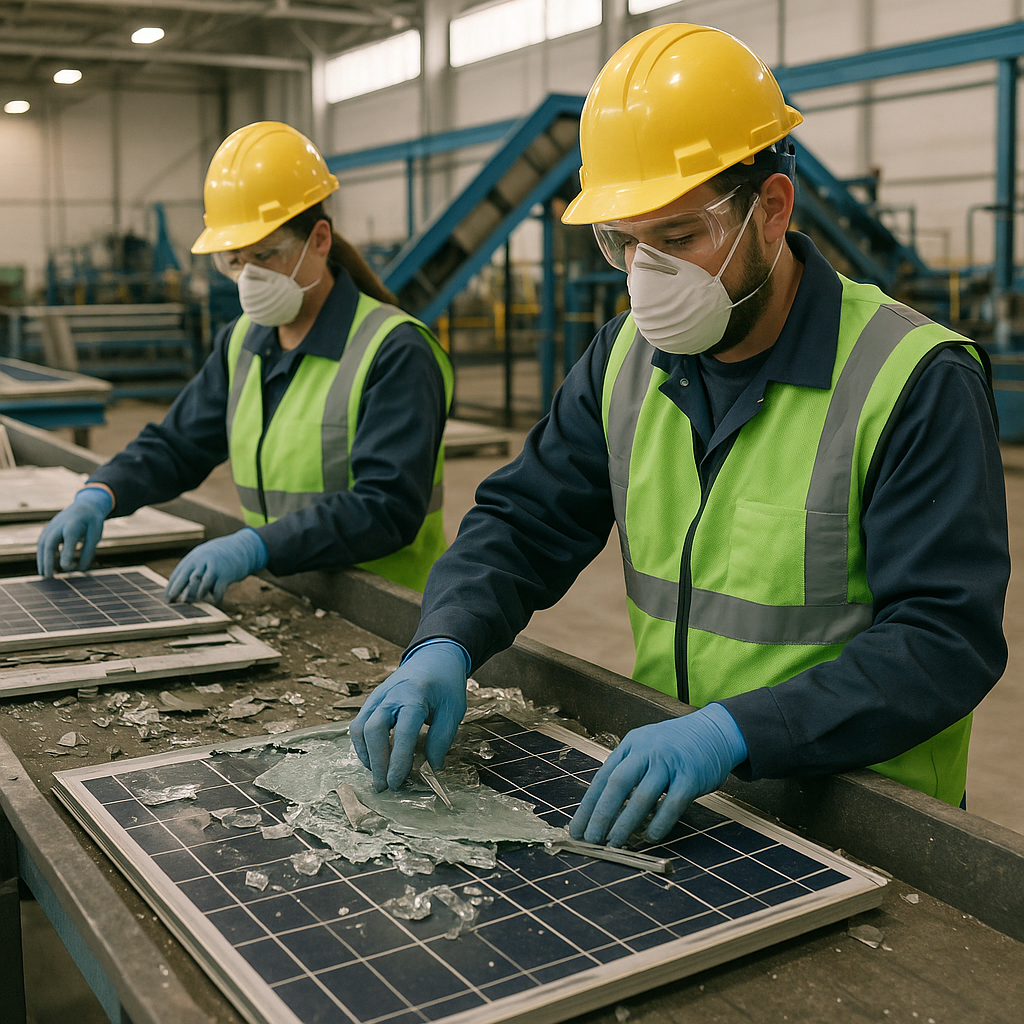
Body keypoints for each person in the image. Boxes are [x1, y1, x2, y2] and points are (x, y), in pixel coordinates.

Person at [350, 23, 1010, 847]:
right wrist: (443, 640)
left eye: (677, 237)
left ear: (771, 210)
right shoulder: (623, 358)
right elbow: (523, 523)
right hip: (678, 802)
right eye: (623, 242)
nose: (646, 275)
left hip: (864, 821)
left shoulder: (912, 379)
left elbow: (944, 641)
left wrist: (733, 732)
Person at [37, 121, 453, 601]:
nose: (248, 276)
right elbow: (178, 446)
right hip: (293, 587)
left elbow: (386, 507)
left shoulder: (395, 351)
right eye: (234, 260)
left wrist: (256, 545)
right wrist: (101, 493)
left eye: (266, 254)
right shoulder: (242, 342)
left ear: (320, 239)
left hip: (390, 609)